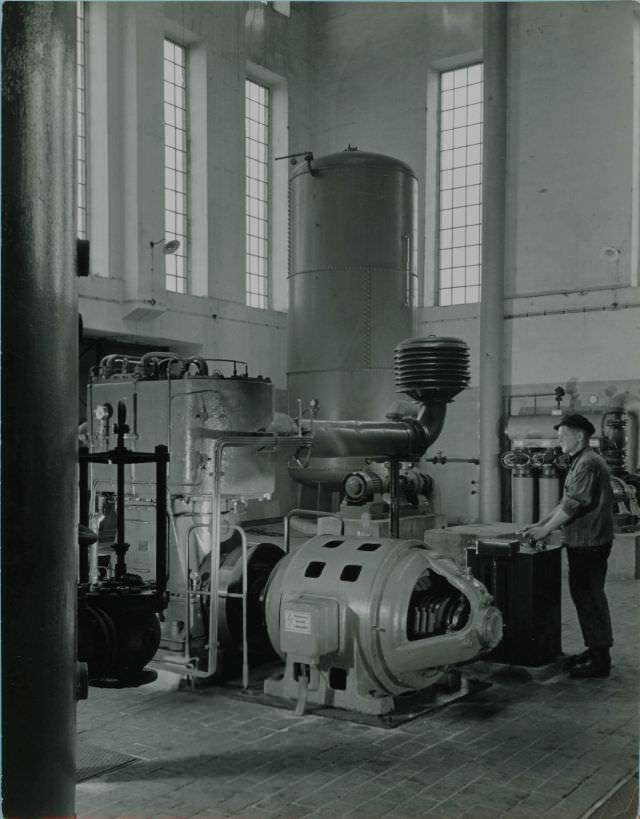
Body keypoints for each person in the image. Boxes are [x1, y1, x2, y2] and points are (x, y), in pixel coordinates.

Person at [521, 413, 614, 678]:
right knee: (585, 596)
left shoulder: (588, 464)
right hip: (585, 540)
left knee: (590, 598)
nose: (559, 440)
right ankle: (596, 649)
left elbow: (574, 505)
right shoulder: (580, 461)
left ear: (580, 436)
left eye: (563, 436)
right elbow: (566, 501)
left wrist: (545, 531)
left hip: (589, 542)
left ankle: (600, 659)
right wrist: (541, 523)